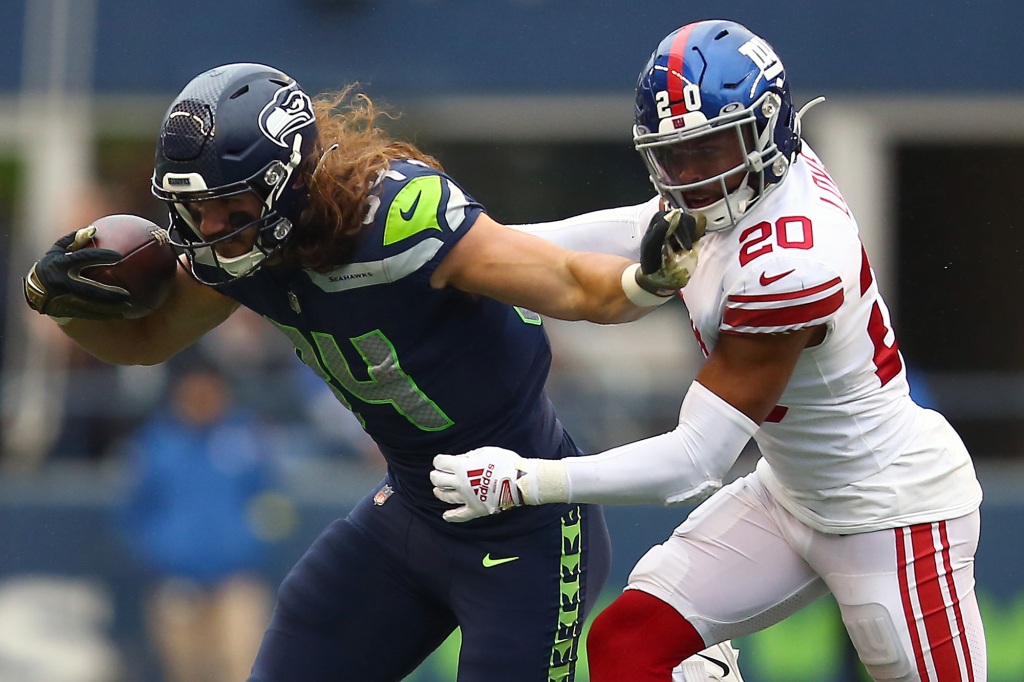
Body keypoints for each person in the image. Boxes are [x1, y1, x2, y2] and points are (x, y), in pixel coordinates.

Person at [21, 63, 704, 681]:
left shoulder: (397, 221)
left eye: (229, 206)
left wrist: (643, 280)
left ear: (285, 183)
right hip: (409, 514)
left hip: (524, 522)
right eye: (194, 209)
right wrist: (56, 303)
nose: (208, 228)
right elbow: (144, 341)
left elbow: (572, 285)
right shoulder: (235, 251)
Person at [431, 19, 986, 682]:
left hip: (892, 511)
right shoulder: (746, 184)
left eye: (712, 150)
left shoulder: (793, 264)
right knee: (628, 646)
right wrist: (478, 252)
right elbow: (638, 226)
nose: (692, 177)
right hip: (791, 495)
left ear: (768, 130)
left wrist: (528, 481)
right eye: (676, 155)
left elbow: (693, 461)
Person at [117, 358, 280, 682]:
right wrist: (160, 554)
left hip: (237, 582)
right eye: (194, 393)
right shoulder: (155, 443)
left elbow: (273, 502)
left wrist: (252, 545)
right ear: (179, 395)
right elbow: (133, 511)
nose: (201, 401)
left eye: (209, 393)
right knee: (186, 673)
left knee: (244, 668)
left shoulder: (246, 439)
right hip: (177, 584)